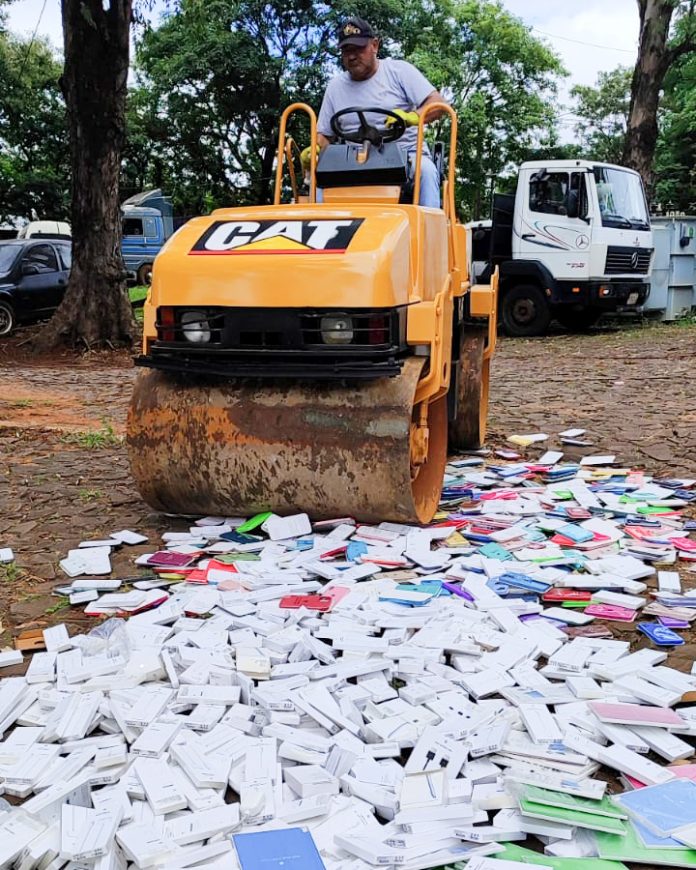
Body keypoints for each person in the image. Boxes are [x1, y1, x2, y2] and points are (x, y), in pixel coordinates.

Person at [308, 17, 447, 208]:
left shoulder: (399, 71)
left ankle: (430, 236)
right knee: (319, 181)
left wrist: (410, 117)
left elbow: (438, 105)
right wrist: (313, 151)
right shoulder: (335, 87)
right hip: (355, 162)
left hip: (405, 156)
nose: (352, 56)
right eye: (347, 50)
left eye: (358, 48)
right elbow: (323, 134)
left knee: (428, 172)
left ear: (374, 45)